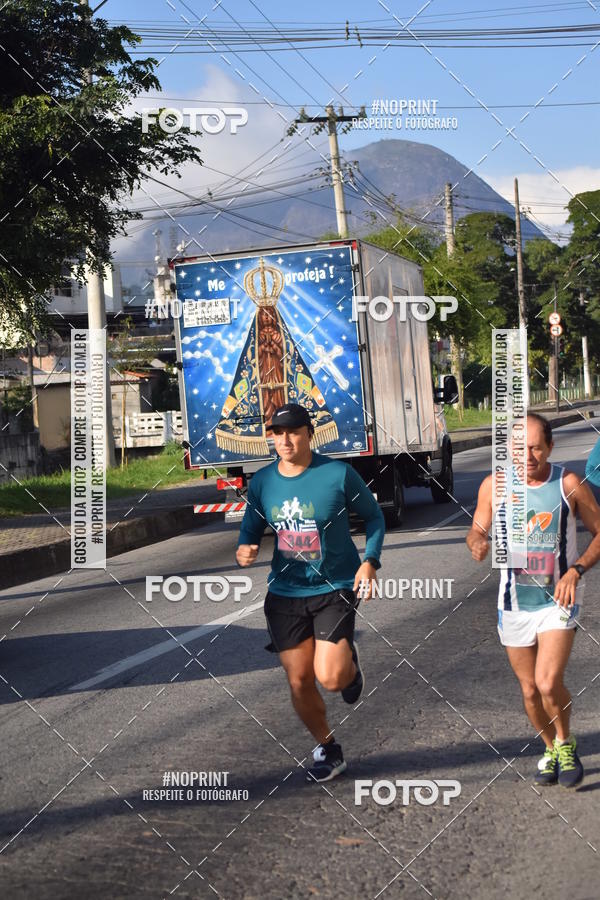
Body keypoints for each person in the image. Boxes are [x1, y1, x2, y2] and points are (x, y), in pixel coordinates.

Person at [236, 402, 385, 783]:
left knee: (331, 679)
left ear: (308, 434)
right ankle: (327, 747)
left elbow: (374, 517)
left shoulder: (337, 474)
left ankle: (349, 668)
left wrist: (369, 561)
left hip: (334, 585)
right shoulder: (263, 481)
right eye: (277, 433)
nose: (285, 440)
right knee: (299, 680)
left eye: (293, 432)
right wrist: (246, 546)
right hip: (285, 593)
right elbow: (252, 525)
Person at [466, 412, 600, 788]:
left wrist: (576, 570)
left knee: (547, 681)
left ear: (550, 448)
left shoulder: (567, 484)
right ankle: (550, 747)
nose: (528, 456)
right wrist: (477, 542)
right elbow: (477, 529)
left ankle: (566, 741)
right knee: (528, 691)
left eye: (536, 448)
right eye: (519, 448)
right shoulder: (494, 486)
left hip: (559, 597)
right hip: (514, 602)